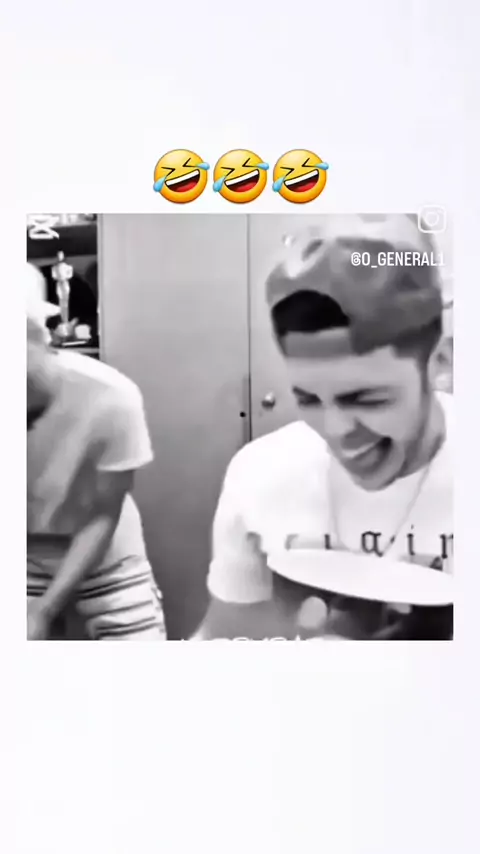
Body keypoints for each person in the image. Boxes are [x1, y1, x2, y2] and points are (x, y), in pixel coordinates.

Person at [195, 215, 453, 640]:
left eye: (367, 399)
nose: (335, 430)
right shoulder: (261, 472)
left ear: (439, 361)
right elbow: (225, 633)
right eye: (309, 399)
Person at [26, 263, 166, 640]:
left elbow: (102, 515)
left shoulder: (109, 398)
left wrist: (44, 609)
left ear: (40, 338)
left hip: (107, 558)